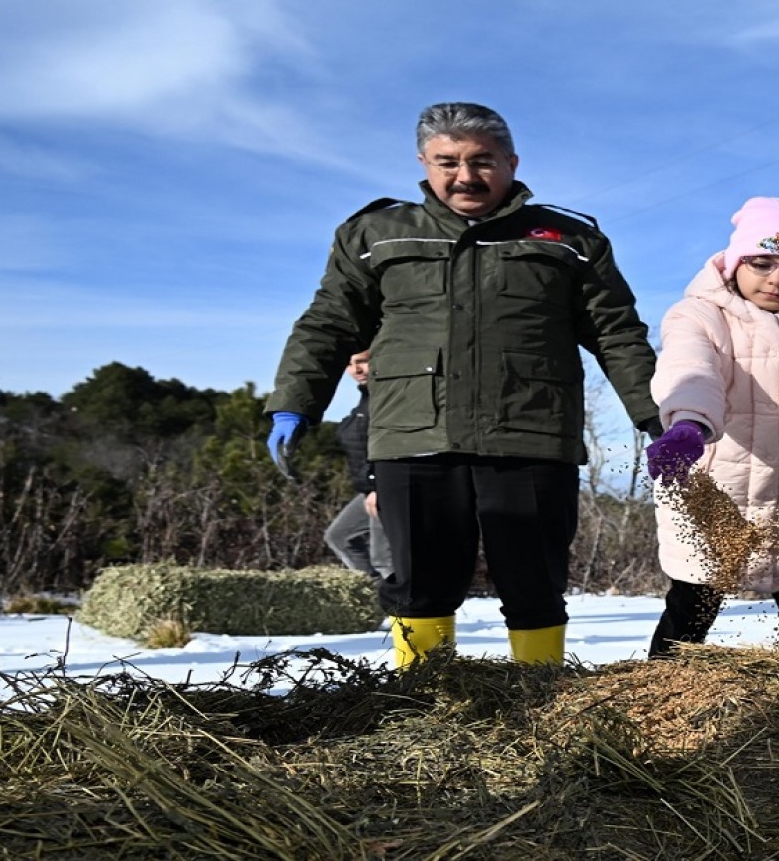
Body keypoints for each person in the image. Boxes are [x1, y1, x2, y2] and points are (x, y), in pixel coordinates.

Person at [264, 102, 661, 667]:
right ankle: (426, 701)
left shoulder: (569, 239)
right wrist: (294, 404)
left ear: (512, 162)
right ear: (423, 163)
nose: (466, 176)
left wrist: (656, 416)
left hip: (530, 433)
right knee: (420, 583)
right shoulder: (377, 234)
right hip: (413, 433)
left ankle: (541, 699)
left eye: (483, 161)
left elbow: (616, 332)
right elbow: (328, 323)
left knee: (534, 584)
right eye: (447, 161)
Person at [643, 197, 779, 659]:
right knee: (691, 605)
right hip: (708, 487)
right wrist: (687, 424)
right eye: (761, 263)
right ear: (734, 263)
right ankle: (657, 690)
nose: (777, 279)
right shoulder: (697, 314)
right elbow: (692, 368)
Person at [322, 350, 394, 582]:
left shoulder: (388, 396)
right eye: (349, 363)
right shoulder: (366, 398)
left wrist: (377, 486)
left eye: (363, 361)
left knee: (384, 557)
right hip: (370, 489)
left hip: (388, 485)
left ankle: (407, 612)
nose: (356, 369)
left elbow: (391, 444)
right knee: (340, 536)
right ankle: (377, 602)